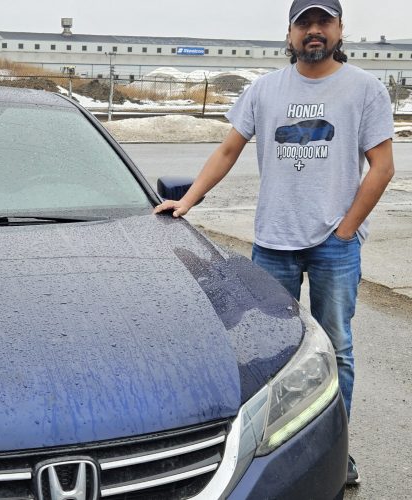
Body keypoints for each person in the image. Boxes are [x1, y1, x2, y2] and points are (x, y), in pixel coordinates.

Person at [153, 0, 395, 486]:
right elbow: (227, 149)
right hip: (273, 242)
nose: (313, 32)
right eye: (304, 23)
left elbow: (383, 166)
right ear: (289, 34)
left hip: (334, 245)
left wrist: (345, 229)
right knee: (266, 352)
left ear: (340, 29)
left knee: (337, 349)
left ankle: (336, 451)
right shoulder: (264, 89)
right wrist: (188, 200)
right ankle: (268, 454)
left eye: (323, 22)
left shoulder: (365, 89)